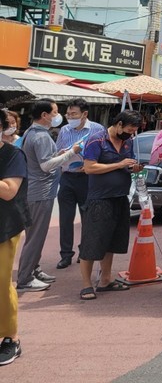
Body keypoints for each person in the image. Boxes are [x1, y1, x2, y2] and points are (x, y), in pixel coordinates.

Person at [77, 110, 143, 301]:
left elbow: (125, 166)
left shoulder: (127, 142)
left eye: (134, 131)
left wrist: (132, 167)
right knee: (91, 242)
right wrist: (119, 164)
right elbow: (89, 167)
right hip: (99, 199)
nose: (130, 134)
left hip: (120, 197)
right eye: (129, 129)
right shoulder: (96, 140)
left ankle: (106, 279)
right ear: (119, 124)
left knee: (112, 241)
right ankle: (86, 285)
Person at [16, 100, 74, 292]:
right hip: (39, 192)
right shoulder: (40, 136)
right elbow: (46, 165)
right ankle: (25, 278)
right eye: (55, 112)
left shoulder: (33, 133)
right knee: (36, 236)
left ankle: (34, 269)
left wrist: (59, 153)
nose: (58, 116)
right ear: (44, 115)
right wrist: (71, 153)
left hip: (38, 190)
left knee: (36, 234)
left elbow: (44, 159)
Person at [55, 98, 105, 270]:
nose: (70, 117)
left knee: (88, 218)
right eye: (68, 114)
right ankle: (65, 254)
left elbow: (103, 153)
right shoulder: (64, 130)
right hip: (67, 178)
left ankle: (85, 250)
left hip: (87, 178)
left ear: (84, 114)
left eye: (73, 114)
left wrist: (89, 165)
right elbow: (58, 152)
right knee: (66, 218)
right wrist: (62, 154)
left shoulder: (97, 129)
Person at [0, 115, 29, 366]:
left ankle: (12, 338)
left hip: (4, 227)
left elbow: (9, 191)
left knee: (0, 282)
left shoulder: (13, 155)